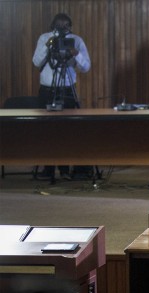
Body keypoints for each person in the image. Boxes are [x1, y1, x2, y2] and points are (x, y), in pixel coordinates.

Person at [32, 13, 91, 181]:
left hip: (66, 89)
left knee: (67, 130)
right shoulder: (44, 38)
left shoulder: (76, 40)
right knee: (45, 131)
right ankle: (48, 169)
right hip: (47, 89)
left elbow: (86, 66)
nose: (62, 29)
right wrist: (48, 44)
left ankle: (65, 168)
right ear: (52, 26)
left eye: (65, 26)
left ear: (70, 27)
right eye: (58, 26)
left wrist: (76, 54)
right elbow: (36, 62)